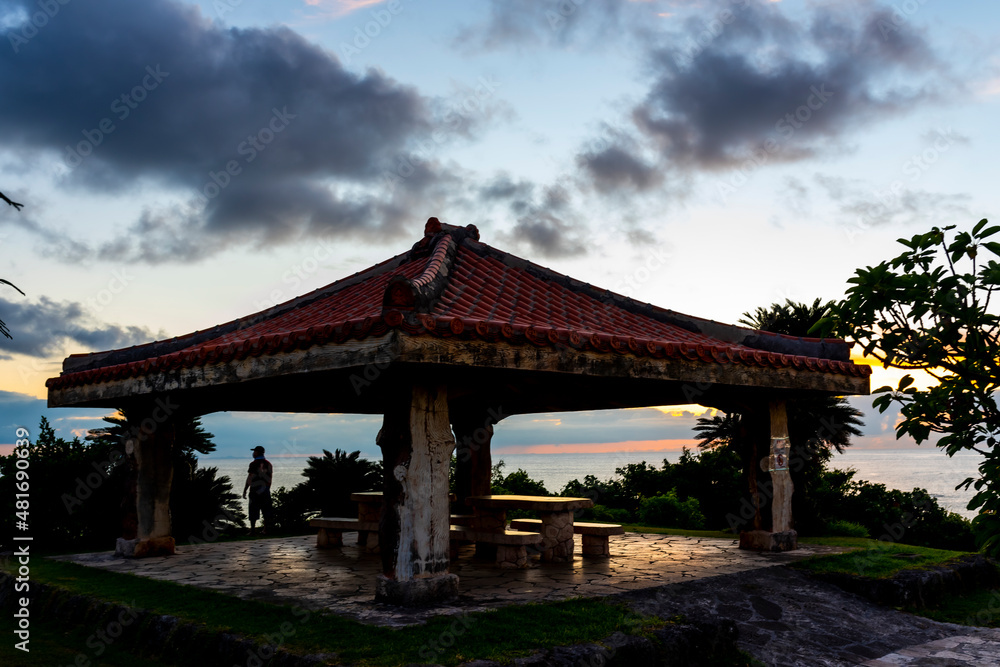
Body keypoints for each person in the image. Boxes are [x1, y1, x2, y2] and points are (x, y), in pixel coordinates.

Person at [243, 445, 274, 535]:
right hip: (265, 489)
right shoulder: (268, 464)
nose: (253, 453)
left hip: (255, 490)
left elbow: (250, 477)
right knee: (266, 510)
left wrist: (245, 489)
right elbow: (270, 478)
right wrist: (268, 488)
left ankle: (253, 530)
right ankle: (265, 529)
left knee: (253, 509)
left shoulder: (254, 464)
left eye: (254, 451)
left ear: (257, 453)